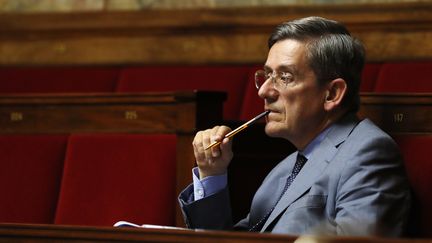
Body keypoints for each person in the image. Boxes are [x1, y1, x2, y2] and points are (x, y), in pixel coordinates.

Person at [178, 16, 411, 236]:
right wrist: (212, 174)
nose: (264, 91)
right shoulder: (285, 168)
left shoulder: (369, 153)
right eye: (268, 75)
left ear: (331, 94)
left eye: (285, 77)